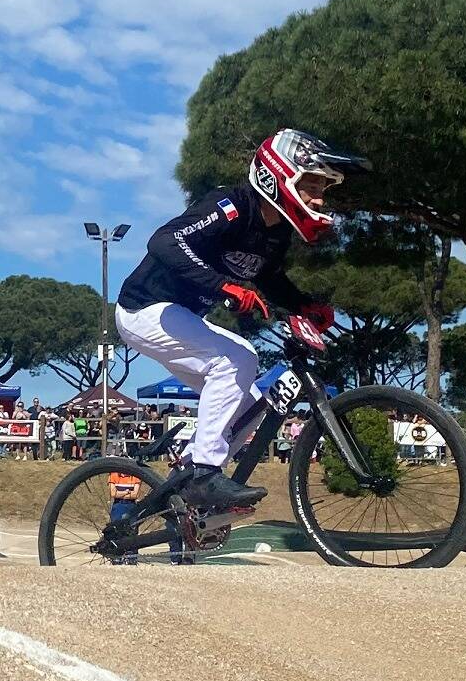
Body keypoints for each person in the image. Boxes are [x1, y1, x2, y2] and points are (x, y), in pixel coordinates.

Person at [114, 129, 363, 509]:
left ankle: (185, 481)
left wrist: (302, 304)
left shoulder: (277, 233)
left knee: (247, 394)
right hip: (143, 310)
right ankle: (205, 474)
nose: (319, 198)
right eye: (312, 185)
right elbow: (164, 242)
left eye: (323, 189)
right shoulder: (230, 205)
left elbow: (268, 277)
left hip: (180, 317)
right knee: (238, 359)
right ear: (279, 176)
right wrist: (224, 288)